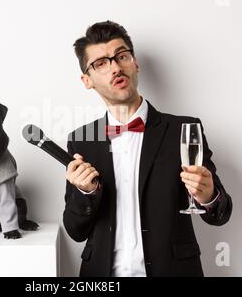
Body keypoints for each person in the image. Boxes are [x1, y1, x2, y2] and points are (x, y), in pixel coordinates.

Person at [63, 21, 232, 277]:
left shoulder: (184, 129)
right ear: (87, 80)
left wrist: (208, 195)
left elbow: (220, 214)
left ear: (135, 63)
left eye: (122, 56)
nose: (116, 67)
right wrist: (85, 192)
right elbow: (75, 231)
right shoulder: (81, 140)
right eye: (101, 63)